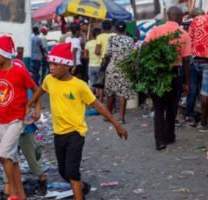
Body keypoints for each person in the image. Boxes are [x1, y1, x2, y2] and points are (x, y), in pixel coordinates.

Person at [26, 42, 128, 200]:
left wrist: (117, 125)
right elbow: (40, 90)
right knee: (63, 172)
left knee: (72, 172)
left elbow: (98, 105)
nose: (51, 67)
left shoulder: (79, 86)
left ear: (67, 66)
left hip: (75, 133)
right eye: (50, 64)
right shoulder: (49, 80)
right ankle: (82, 187)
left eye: (55, 64)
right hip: (58, 133)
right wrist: (30, 103)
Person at [0, 35, 39, 200]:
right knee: (13, 160)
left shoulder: (19, 71)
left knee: (2, 154)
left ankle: (13, 192)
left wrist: (35, 110)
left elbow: (36, 89)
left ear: (5, 54)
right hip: (2, 119)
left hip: (17, 119)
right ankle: (22, 195)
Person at [144, 6, 191, 150]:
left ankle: (160, 141)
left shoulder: (156, 30)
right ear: (180, 17)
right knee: (172, 107)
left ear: (168, 16)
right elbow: (186, 61)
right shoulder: (183, 34)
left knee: (159, 108)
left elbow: (144, 47)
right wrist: (187, 82)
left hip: (157, 73)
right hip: (174, 73)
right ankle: (170, 136)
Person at [103, 21, 135, 124]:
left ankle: (108, 116)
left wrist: (104, 59)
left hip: (112, 68)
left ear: (116, 29)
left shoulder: (112, 39)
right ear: (125, 29)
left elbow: (108, 54)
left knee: (110, 92)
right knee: (122, 93)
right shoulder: (130, 40)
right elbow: (131, 55)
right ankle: (121, 118)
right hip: (124, 68)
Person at [189, 5, 208, 132]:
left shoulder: (196, 20)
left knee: (199, 91)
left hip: (195, 61)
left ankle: (198, 117)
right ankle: (203, 124)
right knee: (206, 93)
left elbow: (190, 39)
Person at [182, 7, 205, 126]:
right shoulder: (197, 25)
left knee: (193, 89)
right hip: (200, 60)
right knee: (202, 89)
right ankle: (200, 114)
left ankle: (188, 113)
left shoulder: (186, 25)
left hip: (191, 61)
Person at [95, 19, 116, 102]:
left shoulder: (99, 37)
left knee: (103, 83)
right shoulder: (115, 35)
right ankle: (114, 105)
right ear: (111, 27)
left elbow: (97, 52)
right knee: (113, 83)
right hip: (114, 61)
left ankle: (101, 102)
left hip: (104, 62)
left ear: (102, 28)